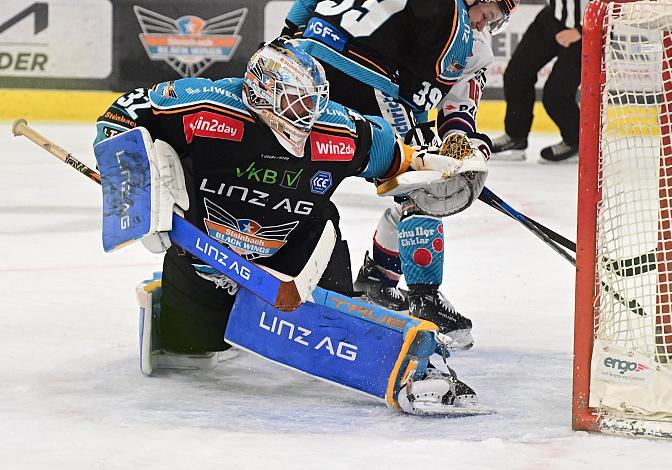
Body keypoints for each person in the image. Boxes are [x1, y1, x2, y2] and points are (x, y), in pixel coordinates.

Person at [93, 41, 484, 413]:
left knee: (330, 330)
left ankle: (359, 331)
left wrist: (437, 172)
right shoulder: (206, 106)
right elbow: (119, 117)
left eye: (312, 102)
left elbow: (398, 159)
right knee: (188, 355)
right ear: (261, 91)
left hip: (300, 258)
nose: (306, 114)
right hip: (205, 259)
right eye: (295, 101)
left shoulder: (338, 130)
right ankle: (197, 305)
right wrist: (135, 190)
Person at [281, 0, 515, 349]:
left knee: (288, 168)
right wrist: (454, 155)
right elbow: (426, 101)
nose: (483, 26)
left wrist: (285, 38)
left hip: (298, 67)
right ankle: (419, 297)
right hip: (366, 81)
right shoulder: (461, 30)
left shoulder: (459, 25)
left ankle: (258, 255)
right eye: (488, 16)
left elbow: (305, 5)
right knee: (425, 188)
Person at [491, 0, 585, 163]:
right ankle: (516, 137)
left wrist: (581, 30)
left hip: (590, 30)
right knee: (517, 74)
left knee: (556, 95)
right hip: (554, 17)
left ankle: (576, 141)